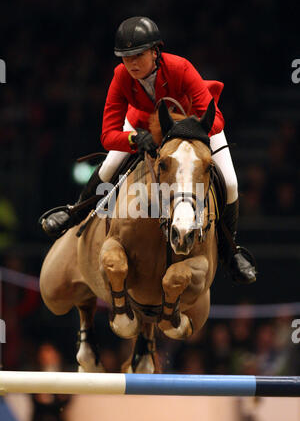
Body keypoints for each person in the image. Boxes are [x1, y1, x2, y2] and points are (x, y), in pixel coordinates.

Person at [41, 16, 256, 284]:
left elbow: (215, 119)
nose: (131, 63)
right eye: (125, 56)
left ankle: (229, 252)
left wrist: (181, 130)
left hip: (196, 124)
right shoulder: (121, 76)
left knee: (232, 183)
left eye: (138, 55)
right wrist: (134, 140)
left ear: (155, 52)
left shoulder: (180, 67)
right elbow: (108, 135)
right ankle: (76, 213)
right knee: (109, 166)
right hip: (143, 123)